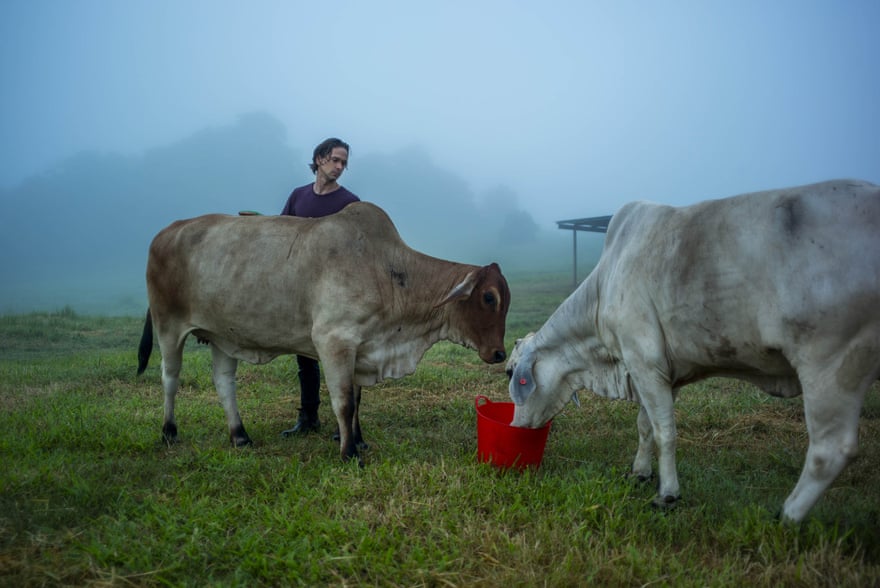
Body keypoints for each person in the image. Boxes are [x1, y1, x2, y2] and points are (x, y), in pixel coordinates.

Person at [280, 138, 360, 436]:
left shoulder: (350, 203)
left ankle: (346, 423)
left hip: (335, 292)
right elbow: (282, 235)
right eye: (335, 160)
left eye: (343, 163)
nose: (339, 167)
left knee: (341, 356)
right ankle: (308, 417)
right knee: (305, 356)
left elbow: (357, 250)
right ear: (319, 158)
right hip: (300, 288)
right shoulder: (298, 196)